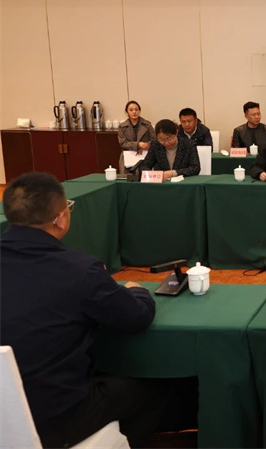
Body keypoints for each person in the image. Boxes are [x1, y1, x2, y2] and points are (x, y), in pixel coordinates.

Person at [0, 172, 165, 448]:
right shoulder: (79, 270)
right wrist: (137, 291)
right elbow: (137, 317)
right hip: (58, 418)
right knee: (157, 389)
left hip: (6, 417)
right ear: (60, 219)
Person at [117, 100, 155, 173]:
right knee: (127, 177)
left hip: (144, 154)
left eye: (136, 110)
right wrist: (138, 145)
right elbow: (122, 143)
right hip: (128, 155)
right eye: (131, 110)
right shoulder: (122, 126)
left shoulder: (147, 124)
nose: (134, 112)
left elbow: (154, 140)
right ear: (127, 112)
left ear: (139, 111)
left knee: (144, 176)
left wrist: (146, 145)